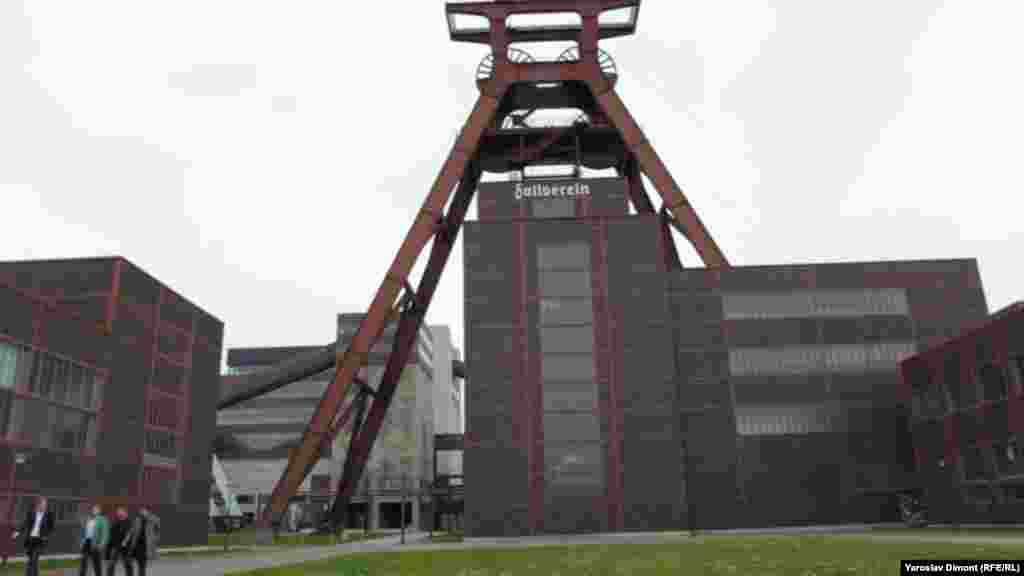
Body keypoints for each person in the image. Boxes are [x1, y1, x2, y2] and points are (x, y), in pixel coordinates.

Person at [11, 496, 55, 576]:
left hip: (40, 540)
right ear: (38, 505)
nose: (44, 506)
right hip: (31, 539)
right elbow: (25, 523)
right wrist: (18, 531)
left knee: (34, 559)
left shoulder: (49, 514)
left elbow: (51, 527)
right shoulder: (32, 513)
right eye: (42, 504)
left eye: (45, 504)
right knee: (32, 560)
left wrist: (46, 536)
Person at [126, 508, 159, 576]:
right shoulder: (137, 519)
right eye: (141, 511)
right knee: (130, 561)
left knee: (142, 565)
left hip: (146, 545)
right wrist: (126, 539)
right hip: (136, 544)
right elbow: (132, 530)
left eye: (143, 510)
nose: (141, 512)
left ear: (147, 511)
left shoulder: (154, 519)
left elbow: (157, 530)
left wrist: (155, 539)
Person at [79, 503, 109, 576]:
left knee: (96, 563)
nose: (94, 510)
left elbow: (105, 533)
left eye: (96, 509)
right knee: (83, 561)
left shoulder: (103, 520)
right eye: (94, 509)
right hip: (87, 542)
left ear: (100, 511)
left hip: (95, 543)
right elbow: (84, 531)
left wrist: (102, 544)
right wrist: (82, 541)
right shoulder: (89, 519)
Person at [106, 507, 133, 576]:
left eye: (121, 512)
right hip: (116, 545)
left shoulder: (128, 522)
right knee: (111, 563)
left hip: (125, 546)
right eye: (118, 512)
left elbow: (129, 533)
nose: (119, 513)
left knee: (127, 563)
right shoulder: (115, 522)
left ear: (125, 513)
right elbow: (111, 533)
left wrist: (125, 542)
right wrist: (110, 545)